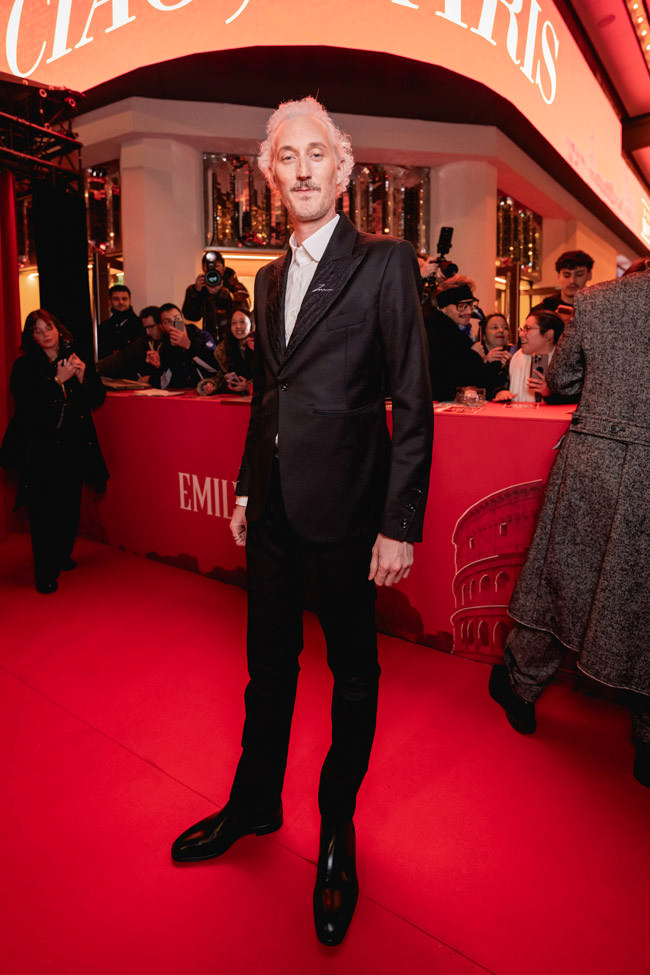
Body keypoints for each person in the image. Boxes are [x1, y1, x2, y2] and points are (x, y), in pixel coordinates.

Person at [171, 96, 433, 947]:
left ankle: (335, 831)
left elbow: (411, 400)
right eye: (288, 157)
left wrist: (400, 522)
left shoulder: (385, 263)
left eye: (317, 153)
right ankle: (255, 800)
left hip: (352, 514)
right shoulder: (268, 277)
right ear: (271, 176)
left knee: (352, 673)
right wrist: (248, 490)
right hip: (276, 511)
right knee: (267, 666)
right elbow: (268, 395)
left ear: (344, 167)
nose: (304, 169)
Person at [489, 268, 650, 788]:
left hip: (597, 458)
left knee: (562, 574)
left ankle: (521, 687)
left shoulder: (599, 300)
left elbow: (562, 382)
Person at [0, 310, 108, 593]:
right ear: (31, 337)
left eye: (48, 328)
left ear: (58, 330)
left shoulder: (74, 358)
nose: (45, 334)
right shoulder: (24, 366)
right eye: (37, 330)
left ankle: (61, 554)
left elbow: (96, 398)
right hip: (41, 448)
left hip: (74, 444)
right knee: (43, 511)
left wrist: (82, 377)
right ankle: (44, 571)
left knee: (69, 506)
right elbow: (26, 407)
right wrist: (57, 381)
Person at [424, 281, 488, 401]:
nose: (469, 311)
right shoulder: (438, 335)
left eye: (470, 305)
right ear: (443, 308)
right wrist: (475, 356)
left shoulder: (459, 332)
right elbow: (449, 375)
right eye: (461, 306)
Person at [494, 310, 565, 403]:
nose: (521, 334)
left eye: (527, 329)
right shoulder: (516, 358)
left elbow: (572, 399)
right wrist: (500, 392)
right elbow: (499, 384)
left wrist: (548, 393)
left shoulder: (565, 363)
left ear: (549, 334)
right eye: (522, 329)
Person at [182, 252, 250, 343]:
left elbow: (244, 312)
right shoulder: (201, 289)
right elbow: (191, 316)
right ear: (203, 269)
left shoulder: (235, 286)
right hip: (210, 342)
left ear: (223, 268)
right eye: (209, 266)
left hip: (232, 342)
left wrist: (222, 293)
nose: (213, 269)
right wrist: (195, 292)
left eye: (216, 266)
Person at [148, 303, 218, 389]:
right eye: (167, 322)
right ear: (162, 327)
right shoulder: (165, 345)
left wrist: (189, 345)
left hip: (204, 390)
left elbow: (215, 367)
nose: (173, 324)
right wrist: (158, 367)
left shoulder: (202, 336)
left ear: (183, 319)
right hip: (181, 393)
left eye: (177, 319)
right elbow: (161, 385)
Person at [96, 305, 163, 382]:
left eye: (151, 327)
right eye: (145, 328)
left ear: (160, 324)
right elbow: (122, 357)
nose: (148, 332)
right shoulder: (144, 341)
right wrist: (97, 367)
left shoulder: (170, 342)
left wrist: (151, 379)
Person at [533, 250, 593, 318]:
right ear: (558, 276)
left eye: (579, 275)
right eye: (566, 275)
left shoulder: (597, 308)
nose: (572, 281)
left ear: (589, 275)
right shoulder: (542, 310)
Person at [471, 313, 514, 399]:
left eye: (505, 328)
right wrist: (485, 363)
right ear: (483, 335)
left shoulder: (514, 354)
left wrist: (511, 366)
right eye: (495, 327)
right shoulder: (474, 355)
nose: (501, 330)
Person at [97, 284, 144, 358]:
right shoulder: (103, 327)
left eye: (124, 299)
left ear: (130, 301)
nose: (121, 302)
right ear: (110, 301)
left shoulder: (140, 325)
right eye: (116, 299)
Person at [214, 309, 255, 394]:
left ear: (251, 324)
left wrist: (249, 386)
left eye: (242, 322)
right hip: (234, 396)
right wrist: (212, 385)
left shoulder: (262, 344)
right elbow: (219, 375)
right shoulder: (223, 349)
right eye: (234, 323)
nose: (238, 326)